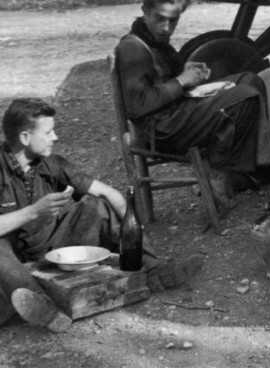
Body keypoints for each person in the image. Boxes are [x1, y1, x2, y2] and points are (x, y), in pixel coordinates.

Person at [0, 98, 199, 332]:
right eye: (48, 132)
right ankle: (43, 307)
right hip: (9, 256)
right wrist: (34, 211)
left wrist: (133, 229)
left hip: (50, 245)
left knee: (98, 208)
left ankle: (154, 269)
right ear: (25, 137)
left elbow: (108, 193)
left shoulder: (51, 163)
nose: (55, 137)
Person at [115, 0, 270, 203]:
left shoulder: (156, 41)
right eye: (160, 18)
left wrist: (189, 72)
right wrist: (182, 80)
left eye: (173, 20)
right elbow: (137, 107)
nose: (166, 28)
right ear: (145, 11)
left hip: (174, 115)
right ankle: (219, 172)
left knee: (251, 80)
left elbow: (163, 79)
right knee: (245, 95)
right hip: (161, 130)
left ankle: (246, 168)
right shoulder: (133, 48)